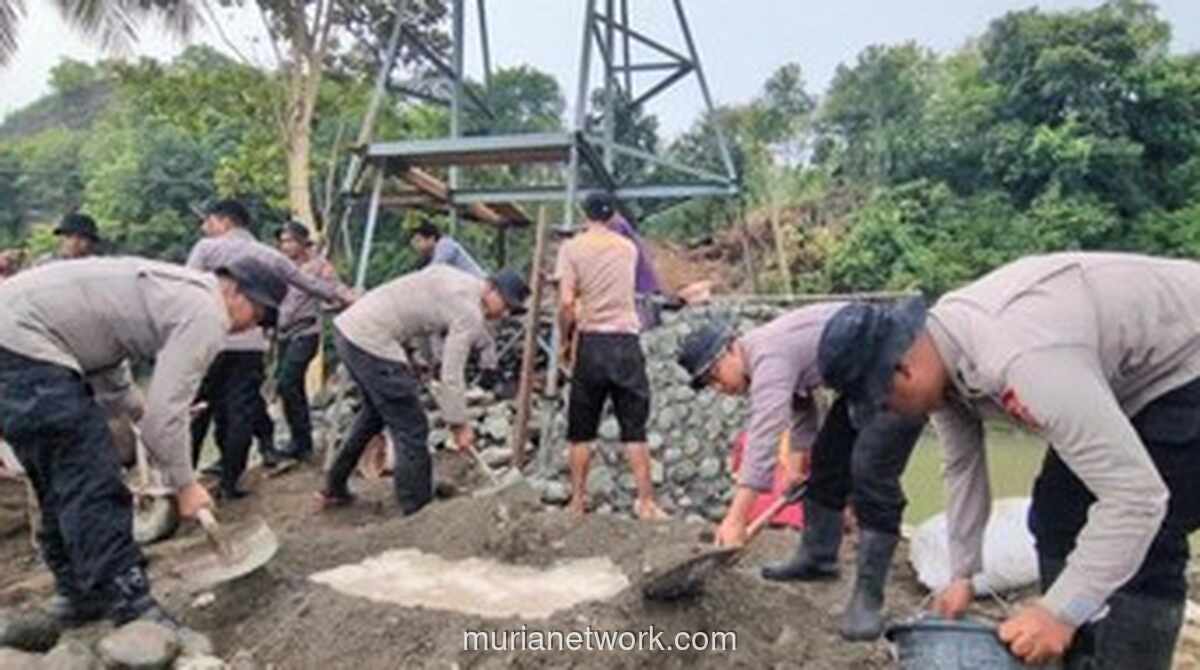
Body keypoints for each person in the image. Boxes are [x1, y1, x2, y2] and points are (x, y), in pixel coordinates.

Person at [817, 252, 1200, 668]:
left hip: (1187, 362)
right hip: (1134, 378)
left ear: (904, 370)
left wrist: (1060, 611)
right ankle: (1079, 656)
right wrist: (961, 573)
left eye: (885, 403)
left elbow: (1136, 498)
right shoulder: (941, 355)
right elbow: (963, 466)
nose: (892, 414)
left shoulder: (1022, 360)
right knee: (1056, 514)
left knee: (1151, 541)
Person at [0, 256, 286, 629]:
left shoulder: (172, 292)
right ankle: (130, 607)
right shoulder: (206, 311)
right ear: (233, 288)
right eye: (259, 313)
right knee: (92, 478)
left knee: (59, 479)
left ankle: (79, 596)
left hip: (15, 340)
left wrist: (141, 411)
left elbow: (108, 361)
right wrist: (186, 486)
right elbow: (164, 420)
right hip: (24, 343)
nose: (252, 327)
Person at [676, 314, 925, 640]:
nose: (719, 388)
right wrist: (794, 468)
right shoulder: (764, 358)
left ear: (731, 349)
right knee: (826, 462)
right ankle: (818, 558)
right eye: (709, 385)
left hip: (902, 370)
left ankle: (868, 599)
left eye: (715, 375)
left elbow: (764, 434)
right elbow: (802, 408)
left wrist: (736, 518)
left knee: (870, 473)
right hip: (860, 383)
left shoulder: (767, 356)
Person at [317, 265, 530, 513]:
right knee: (412, 426)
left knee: (373, 415)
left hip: (351, 330)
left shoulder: (455, 277)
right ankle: (416, 507)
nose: (504, 313)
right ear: (491, 288)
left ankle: (334, 487)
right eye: (505, 305)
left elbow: (411, 309)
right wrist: (458, 423)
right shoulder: (469, 312)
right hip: (371, 339)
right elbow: (452, 371)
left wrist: (411, 357)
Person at [187, 200, 355, 498]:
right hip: (251, 344)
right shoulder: (268, 255)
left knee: (197, 411)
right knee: (240, 412)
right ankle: (229, 483)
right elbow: (309, 284)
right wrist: (347, 297)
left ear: (224, 222)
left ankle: (184, 485)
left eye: (208, 221)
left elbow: (186, 291)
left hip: (208, 342)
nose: (204, 228)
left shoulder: (205, 249)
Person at [557, 192, 668, 521]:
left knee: (581, 429)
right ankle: (646, 502)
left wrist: (565, 339)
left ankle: (577, 501)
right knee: (635, 428)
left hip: (591, 343)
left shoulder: (572, 248)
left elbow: (566, 302)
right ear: (612, 216)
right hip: (626, 342)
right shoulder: (628, 248)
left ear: (585, 214)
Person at [273, 221, 352, 461]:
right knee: (288, 386)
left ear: (301, 242)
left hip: (306, 331)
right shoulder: (282, 267)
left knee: (288, 381)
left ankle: (302, 440)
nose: (285, 246)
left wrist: (346, 301)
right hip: (283, 333)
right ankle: (300, 441)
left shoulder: (319, 267)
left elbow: (335, 291)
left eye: (290, 241)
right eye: (283, 241)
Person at [410, 220, 485, 277]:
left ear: (431, 239)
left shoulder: (445, 244)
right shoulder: (431, 255)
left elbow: (434, 270)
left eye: (418, 241)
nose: (415, 245)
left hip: (479, 286)